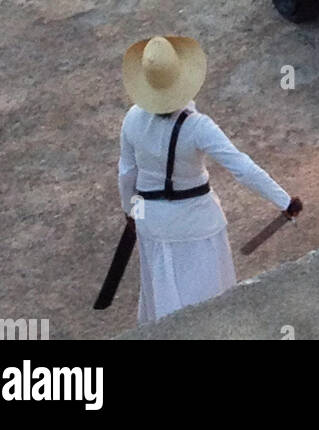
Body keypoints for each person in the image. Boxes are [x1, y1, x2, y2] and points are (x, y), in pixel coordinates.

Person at [118, 34, 301, 324]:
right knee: (207, 300)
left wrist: (130, 211)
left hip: (152, 221)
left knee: (163, 291)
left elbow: (127, 171)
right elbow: (241, 167)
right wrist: (284, 200)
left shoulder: (131, 119)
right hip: (197, 224)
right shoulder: (199, 127)